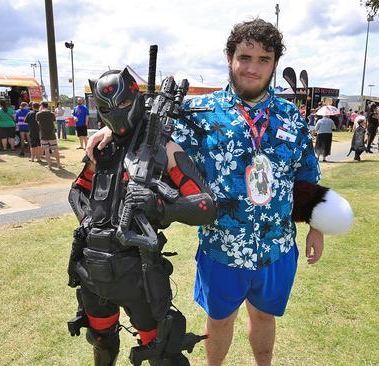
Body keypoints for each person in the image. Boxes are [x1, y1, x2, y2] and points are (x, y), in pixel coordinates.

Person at [87, 18, 355, 366]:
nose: (252, 68)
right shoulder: (201, 112)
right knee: (219, 321)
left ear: (274, 64)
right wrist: (115, 132)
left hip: (276, 247)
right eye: (245, 57)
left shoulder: (291, 117)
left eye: (264, 59)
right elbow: (154, 136)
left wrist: (316, 226)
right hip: (222, 248)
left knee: (263, 318)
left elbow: (305, 175)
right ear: (230, 58)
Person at [67, 68, 218, 365]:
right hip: (92, 272)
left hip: (140, 277)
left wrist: (161, 207)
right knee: (101, 343)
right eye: (107, 108)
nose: (116, 113)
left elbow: (207, 206)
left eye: (123, 104)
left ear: (136, 98)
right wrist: (87, 220)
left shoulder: (165, 149)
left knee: (162, 354)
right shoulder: (103, 146)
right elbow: (78, 190)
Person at [36, 102, 62, 169]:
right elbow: (54, 123)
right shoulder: (52, 114)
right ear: (47, 106)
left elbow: (38, 123)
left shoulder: (38, 114)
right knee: (55, 149)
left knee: (46, 150)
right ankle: (59, 165)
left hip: (43, 134)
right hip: (52, 134)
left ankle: (49, 165)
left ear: (41, 106)